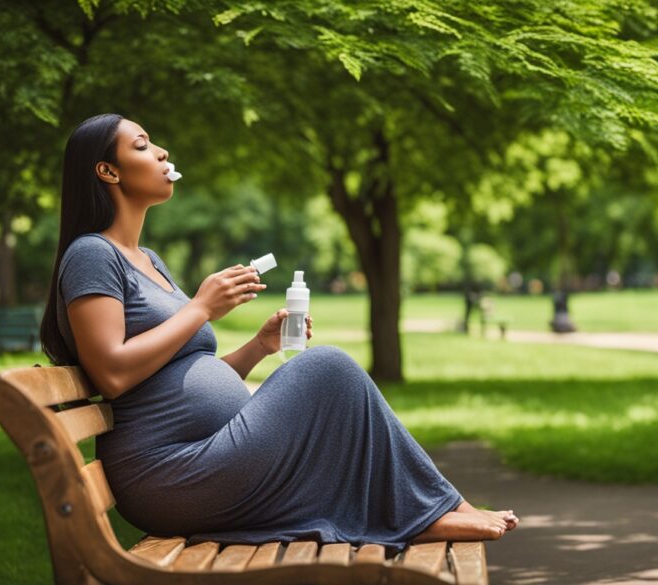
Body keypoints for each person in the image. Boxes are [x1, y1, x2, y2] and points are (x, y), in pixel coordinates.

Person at [39, 113, 517, 554]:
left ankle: (435, 508)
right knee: (327, 367)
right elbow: (112, 372)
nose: (163, 152)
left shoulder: (148, 260)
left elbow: (175, 375)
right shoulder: (92, 255)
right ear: (108, 172)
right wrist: (202, 308)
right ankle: (431, 512)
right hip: (170, 476)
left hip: (205, 461)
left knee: (329, 373)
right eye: (143, 146)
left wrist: (258, 348)